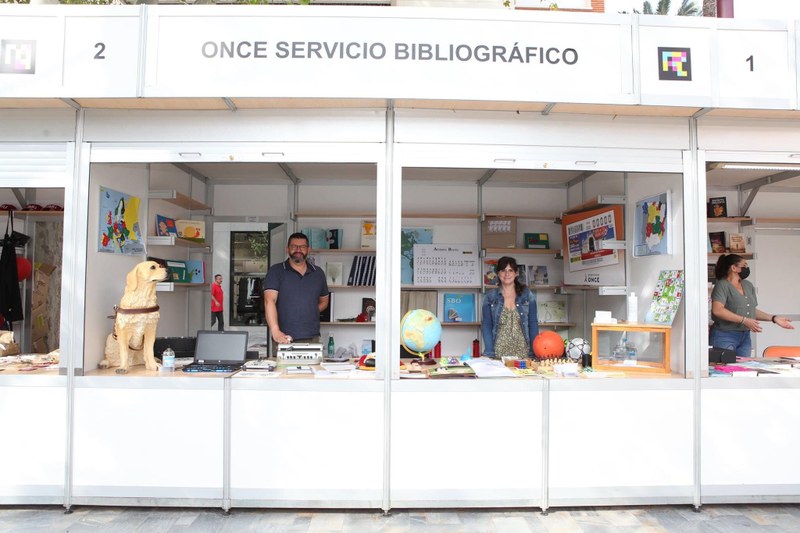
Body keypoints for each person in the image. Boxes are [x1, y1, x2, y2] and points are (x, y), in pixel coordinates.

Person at [710, 254, 793, 357]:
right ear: (734, 268)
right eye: (744, 265)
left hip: (745, 336)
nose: (747, 268)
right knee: (723, 370)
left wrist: (773, 318)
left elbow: (751, 310)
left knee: (744, 370)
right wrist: (744, 320)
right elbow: (718, 310)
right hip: (724, 335)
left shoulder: (748, 285)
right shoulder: (722, 285)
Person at [263, 233, 330, 354]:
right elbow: (269, 301)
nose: (298, 250)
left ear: (308, 250)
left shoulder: (318, 273)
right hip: (284, 337)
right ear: (287, 249)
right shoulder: (276, 271)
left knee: (312, 371)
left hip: (312, 336)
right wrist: (275, 330)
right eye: (294, 246)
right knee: (283, 372)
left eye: (302, 247)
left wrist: (308, 310)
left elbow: (324, 301)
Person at [481, 256, 539, 359]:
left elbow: (533, 324)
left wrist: (534, 351)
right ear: (498, 273)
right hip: (498, 353)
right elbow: (486, 326)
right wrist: (489, 352)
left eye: (510, 270)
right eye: (503, 270)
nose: (507, 274)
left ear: (516, 273)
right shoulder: (490, 297)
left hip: (523, 353)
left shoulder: (527, 295)